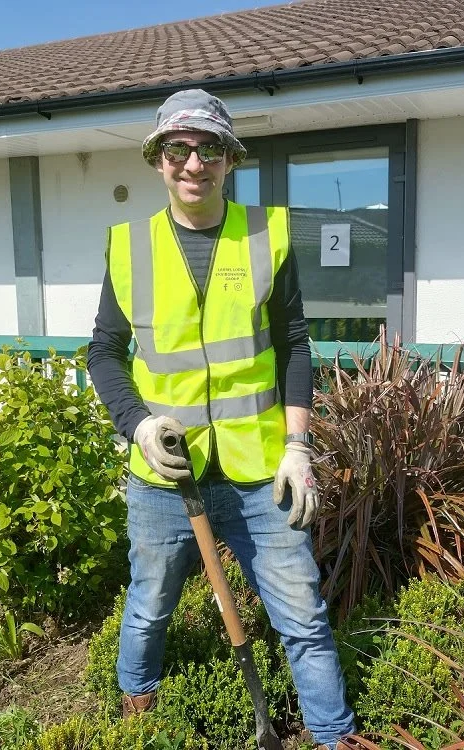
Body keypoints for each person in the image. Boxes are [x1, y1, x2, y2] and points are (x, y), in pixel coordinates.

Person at [87, 88, 356, 749]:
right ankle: (137, 726)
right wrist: (138, 424)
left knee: (303, 616)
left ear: (229, 160)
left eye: (208, 149)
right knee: (149, 609)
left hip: (259, 470)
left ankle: (335, 737)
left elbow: (295, 346)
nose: (193, 164)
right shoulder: (129, 246)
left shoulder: (267, 234)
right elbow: (103, 353)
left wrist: (298, 447)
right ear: (157, 160)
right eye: (178, 149)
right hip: (163, 473)